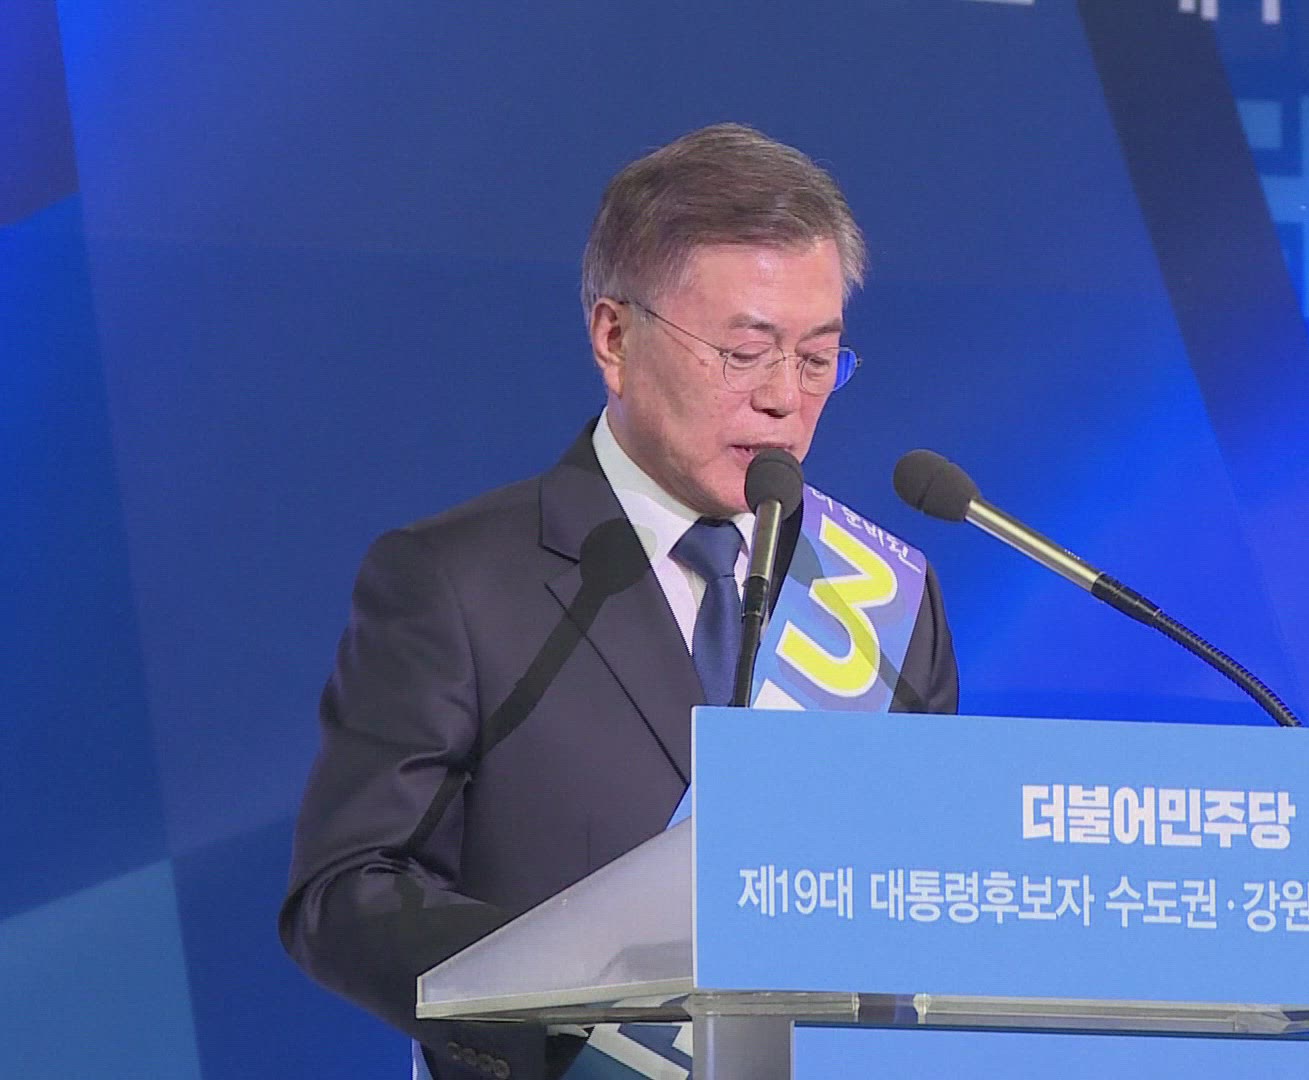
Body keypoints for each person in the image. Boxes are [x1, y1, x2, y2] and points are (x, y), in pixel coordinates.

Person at [280, 123, 960, 1080]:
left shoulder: (885, 599)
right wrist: (575, 1012)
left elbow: (926, 897)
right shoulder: (455, 580)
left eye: (817, 359)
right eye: (745, 352)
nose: (784, 399)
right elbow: (348, 891)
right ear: (615, 337)